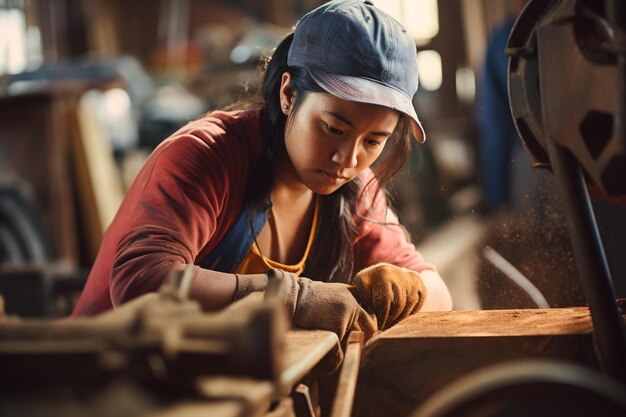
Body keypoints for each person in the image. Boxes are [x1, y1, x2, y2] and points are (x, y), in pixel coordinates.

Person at [72, 0, 452, 344]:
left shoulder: (354, 186)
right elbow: (141, 282)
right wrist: (294, 300)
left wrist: (409, 288)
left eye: (374, 141)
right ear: (288, 95)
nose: (347, 158)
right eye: (334, 128)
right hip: (105, 377)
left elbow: (439, 294)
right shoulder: (206, 156)